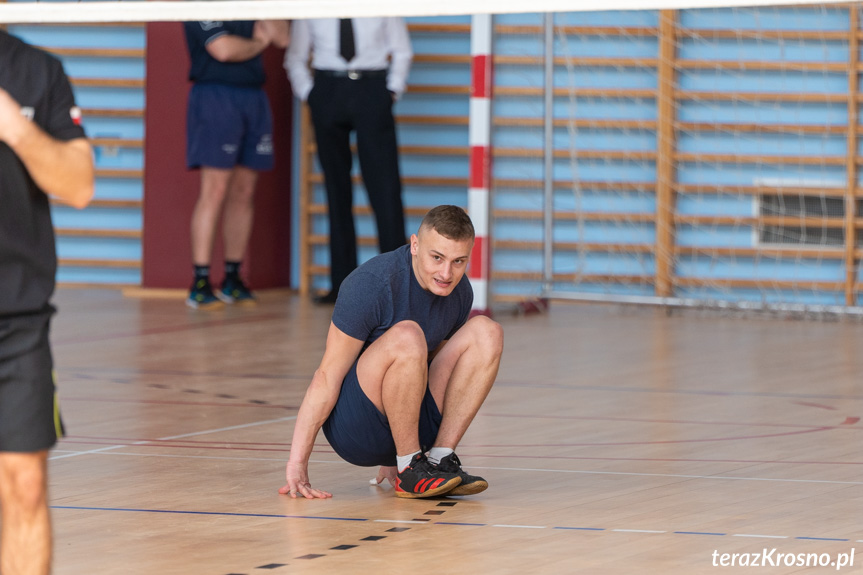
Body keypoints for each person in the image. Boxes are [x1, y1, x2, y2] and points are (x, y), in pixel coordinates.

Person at [279, 205, 504, 499]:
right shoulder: (372, 284)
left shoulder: (459, 293)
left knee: (487, 331)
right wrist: (297, 462)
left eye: (458, 261)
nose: (446, 273)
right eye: (436, 258)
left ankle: (437, 459)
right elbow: (326, 376)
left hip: (407, 422)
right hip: (356, 428)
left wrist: (394, 451)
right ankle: (409, 468)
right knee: (408, 335)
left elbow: (434, 368)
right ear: (414, 245)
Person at [0, 30, 95, 575]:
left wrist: (14, 125)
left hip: (16, 321)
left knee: (26, 482)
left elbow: (78, 185)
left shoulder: (38, 70)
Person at [284, 17, 412, 304]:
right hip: (328, 88)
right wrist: (310, 94)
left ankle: (398, 284)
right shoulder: (312, 7)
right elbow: (295, 57)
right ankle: (342, 285)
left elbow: (402, 50)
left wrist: (391, 90)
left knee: (385, 189)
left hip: (372, 87)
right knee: (335, 189)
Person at [184, 20, 289, 309]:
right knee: (215, 190)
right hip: (215, 95)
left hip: (253, 95)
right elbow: (223, 50)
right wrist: (258, 44)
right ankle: (201, 280)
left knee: (243, 192)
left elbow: (282, 37)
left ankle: (233, 276)